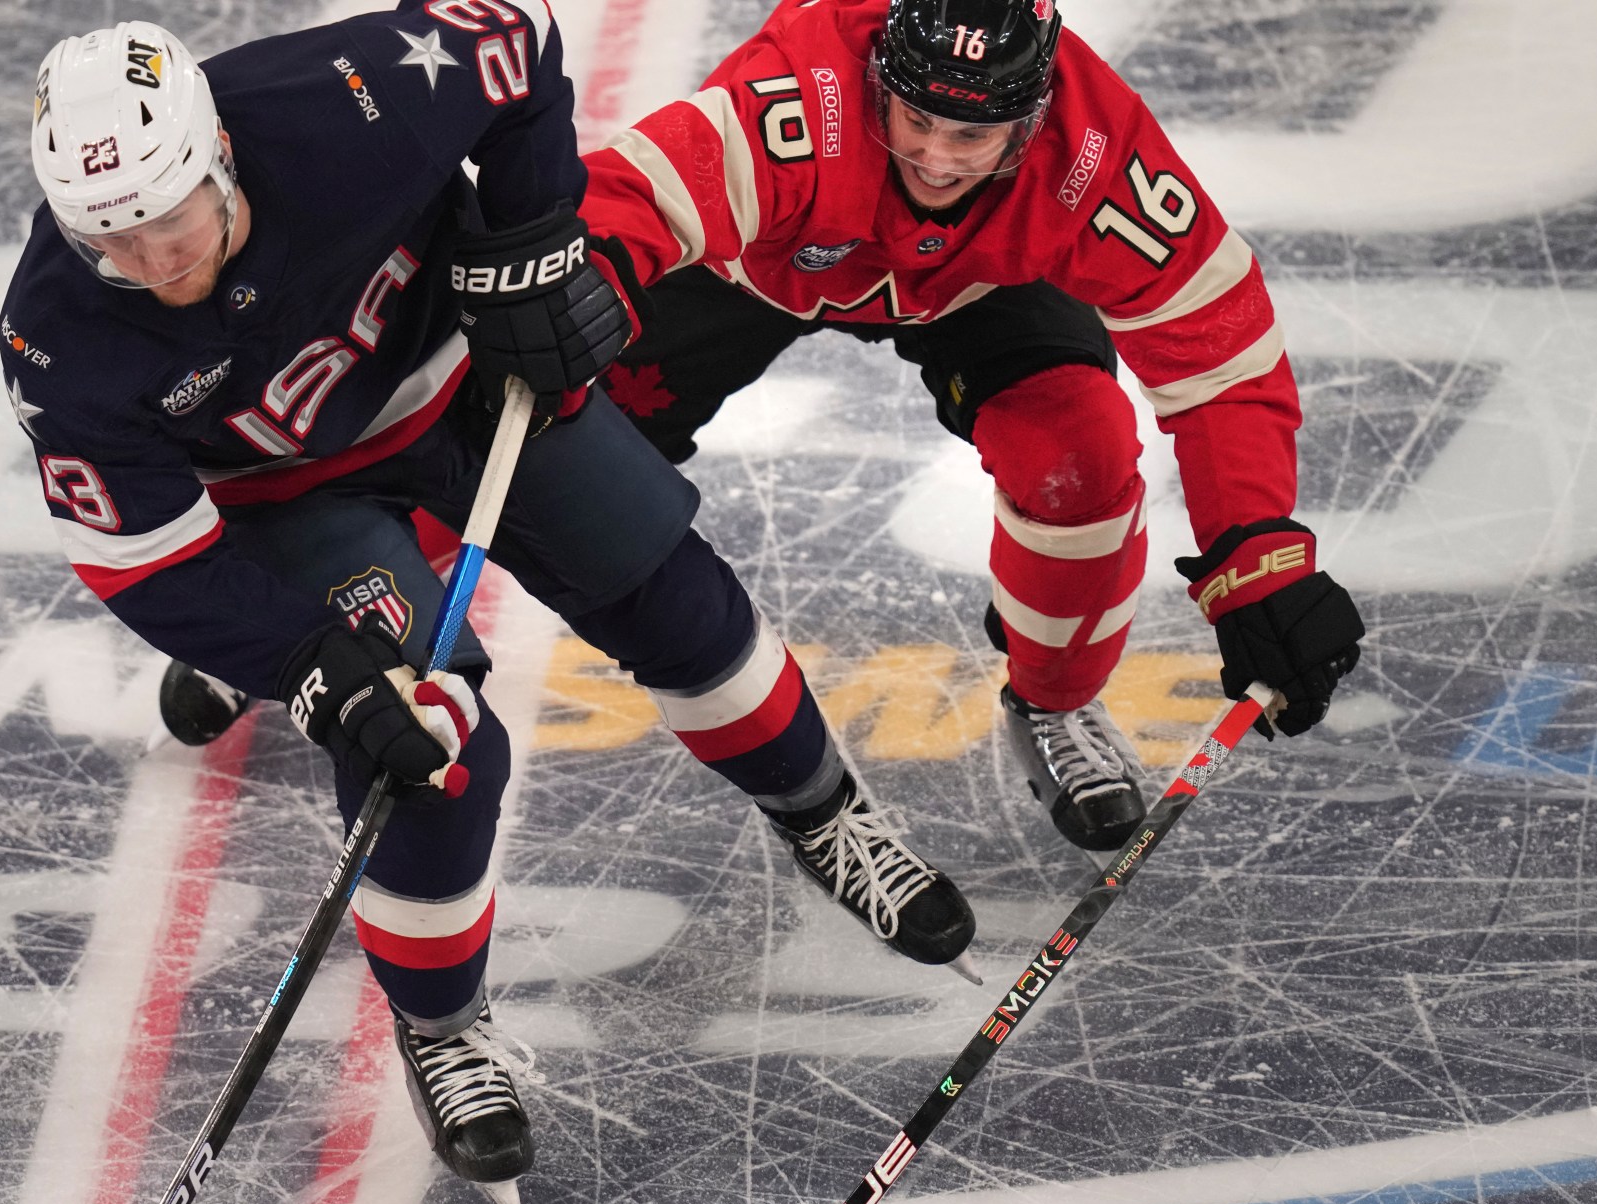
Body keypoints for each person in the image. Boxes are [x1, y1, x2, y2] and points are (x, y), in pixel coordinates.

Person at [3, 10, 978, 1204]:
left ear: (219, 157)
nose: (156, 261)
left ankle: (823, 813)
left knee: (671, 597)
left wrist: (526, 244)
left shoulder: (341, 96)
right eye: (115, 240)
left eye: (172, 217)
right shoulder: (55, 339)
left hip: (466, 386)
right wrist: (311, 665)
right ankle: (443, 1027)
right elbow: (149, 565)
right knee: (432, 745)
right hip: (290, 499)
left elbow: (515, 37)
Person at [579, 0, 1366, 850]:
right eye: (916, 117)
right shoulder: (799, 96)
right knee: (554, 452)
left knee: (1081, 450)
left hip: (980, 285)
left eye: (971, 135)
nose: (933, 155)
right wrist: (578, 283)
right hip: (754, 261)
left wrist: (1256, 558)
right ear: (879, 72)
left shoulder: (1092, 145)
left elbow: (1221, 348)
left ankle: (1055, 701)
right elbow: (627, 197)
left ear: (1035, 119)